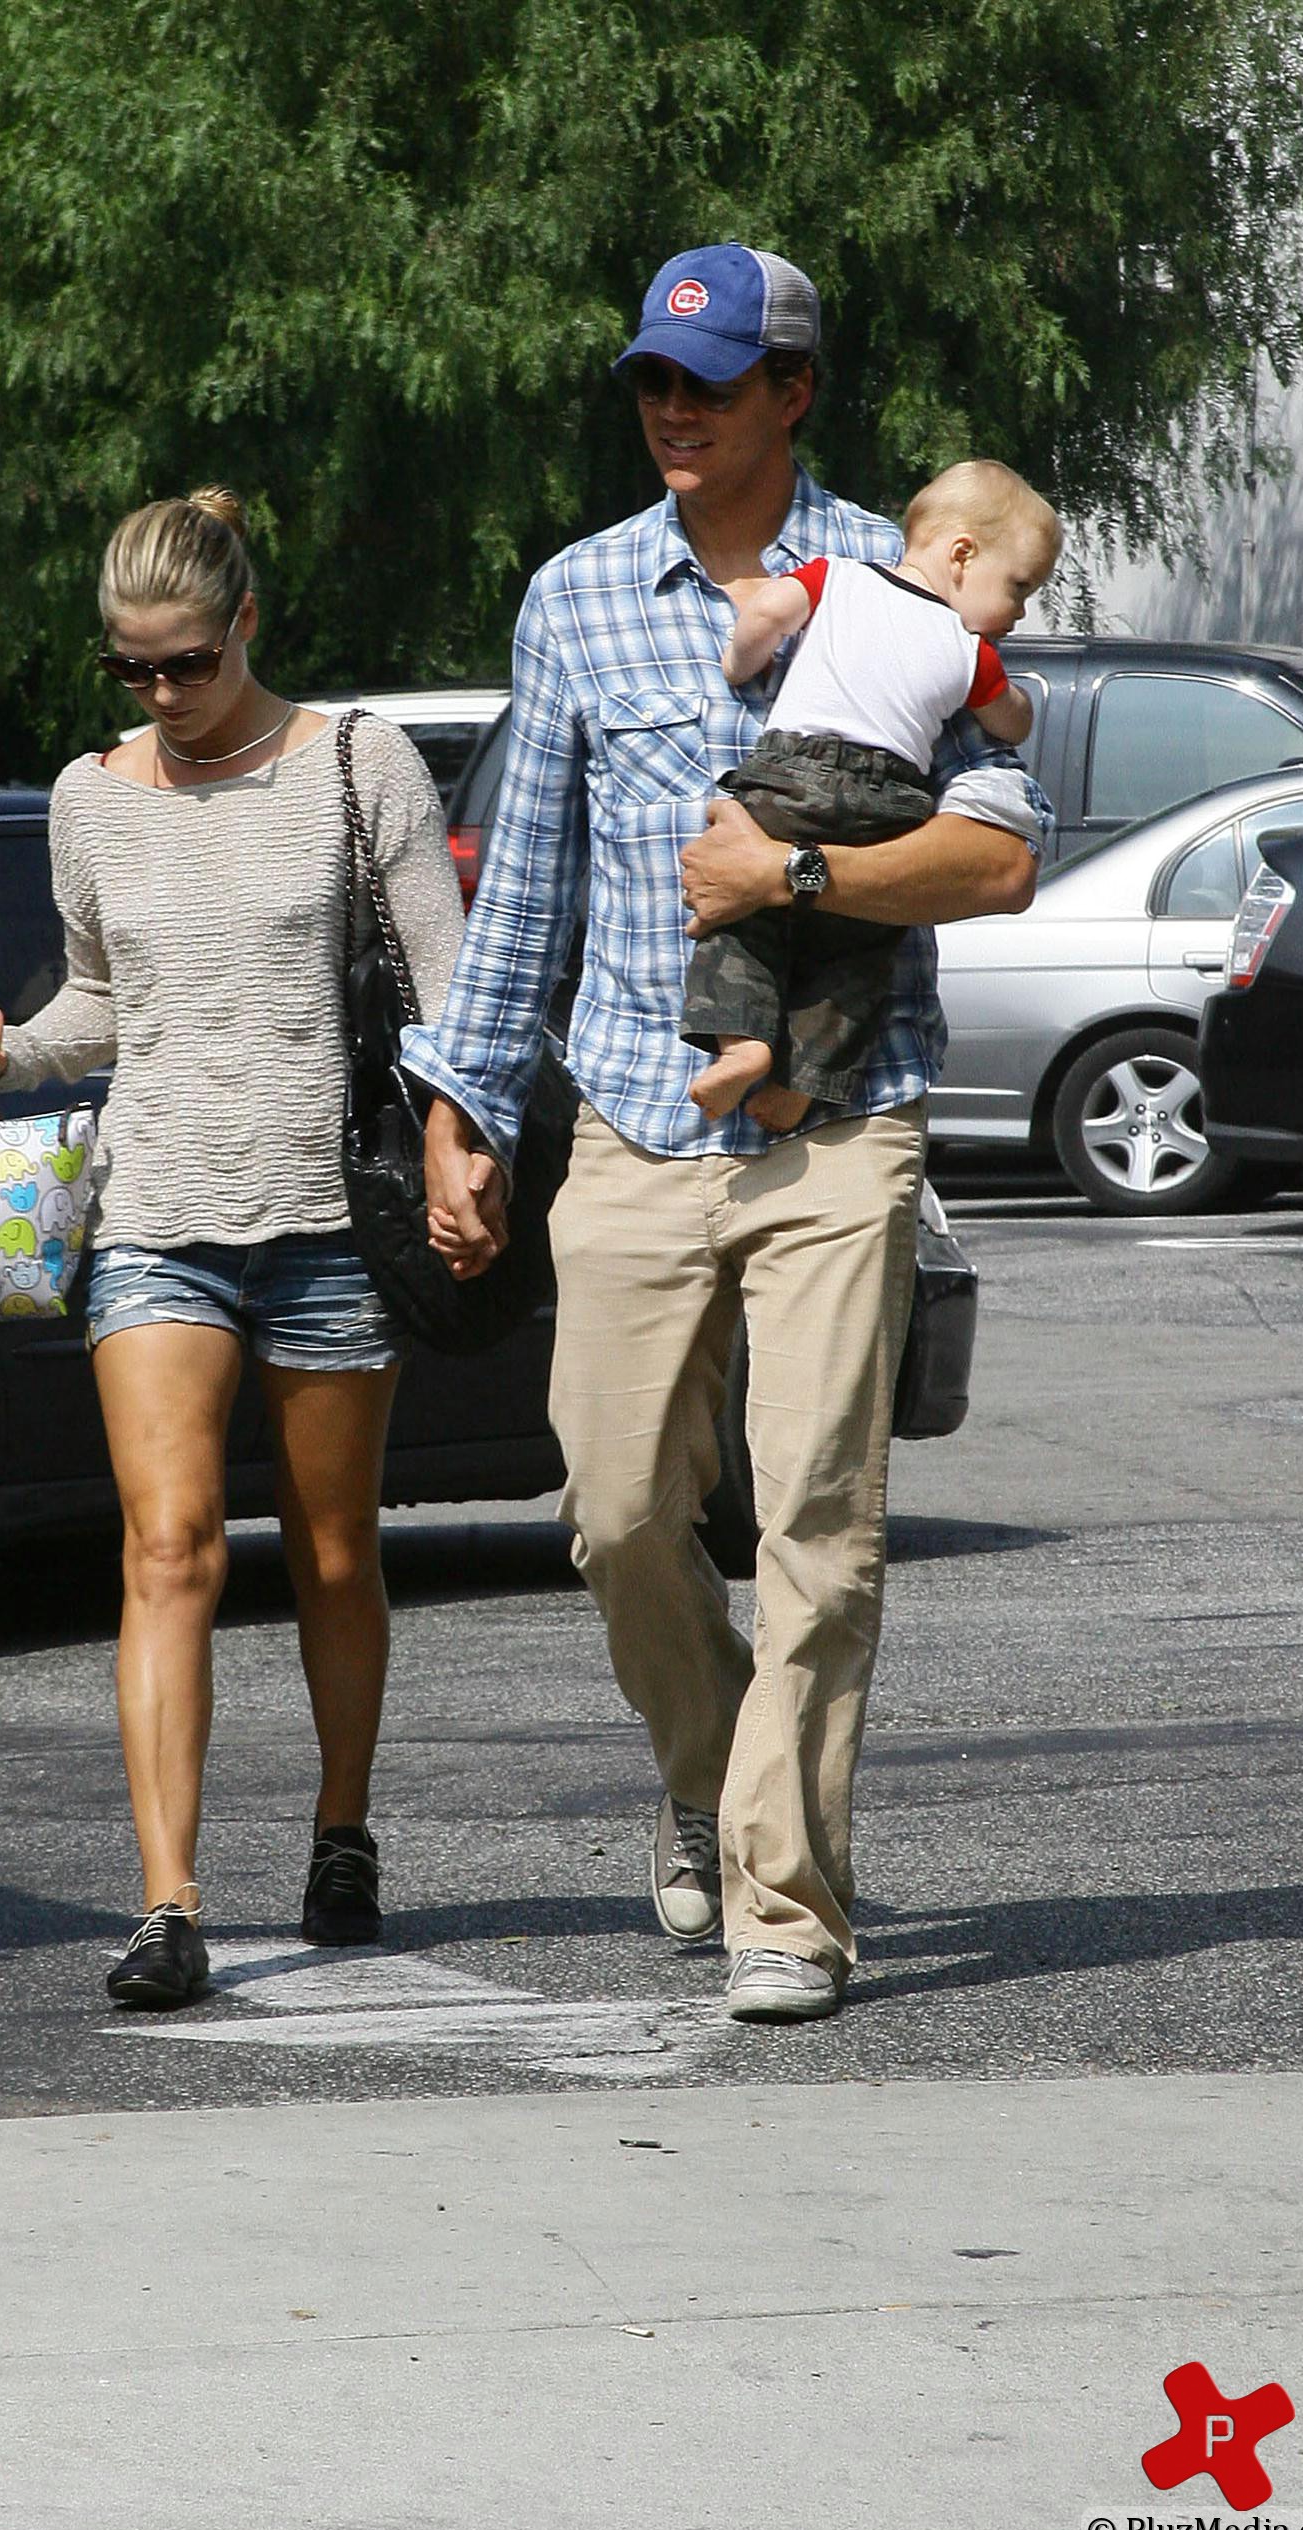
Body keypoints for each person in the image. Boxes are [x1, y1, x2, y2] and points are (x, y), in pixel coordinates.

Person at [409, 243, 1052, 2024]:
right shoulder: (578, 598)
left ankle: (785, 1900)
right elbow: (522, 872)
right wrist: (462, 1105)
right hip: (628, 1108)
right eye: (650, 383)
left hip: (844, 1118)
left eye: (708, 382)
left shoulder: (916, 576)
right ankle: (704, 1761)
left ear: (793, 396)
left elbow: (1001, 854)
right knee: (616, 1509)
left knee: (822, 1525)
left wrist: (793, 870)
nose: (672, 410)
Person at [0, 487, 464, 2011]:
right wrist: (3, 1049)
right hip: (157, 1208)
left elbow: (442, 994)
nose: (162, 695)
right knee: (163, 1548)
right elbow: (101, 1003)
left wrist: (455, 1148)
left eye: (185, 663)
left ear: (245, 624)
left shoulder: (360, 764)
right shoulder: (89, 796)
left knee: (333, 1552)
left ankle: (341, 1823)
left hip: (323, 1217)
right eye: (132, 670)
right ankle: (168, 1903)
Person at [686, 459, 1060, 1122]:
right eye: (1019, 586)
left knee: (739, 913)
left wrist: (743, 661)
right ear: (962, 554)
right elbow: (1012, 719)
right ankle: (804, 1079)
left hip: (788, 774)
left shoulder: (838, 577)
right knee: (859, 942)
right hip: (888, 801)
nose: (1020, 610)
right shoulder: (971, 650)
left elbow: (767, 611)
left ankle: (740, 1043)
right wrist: (1017, 700)